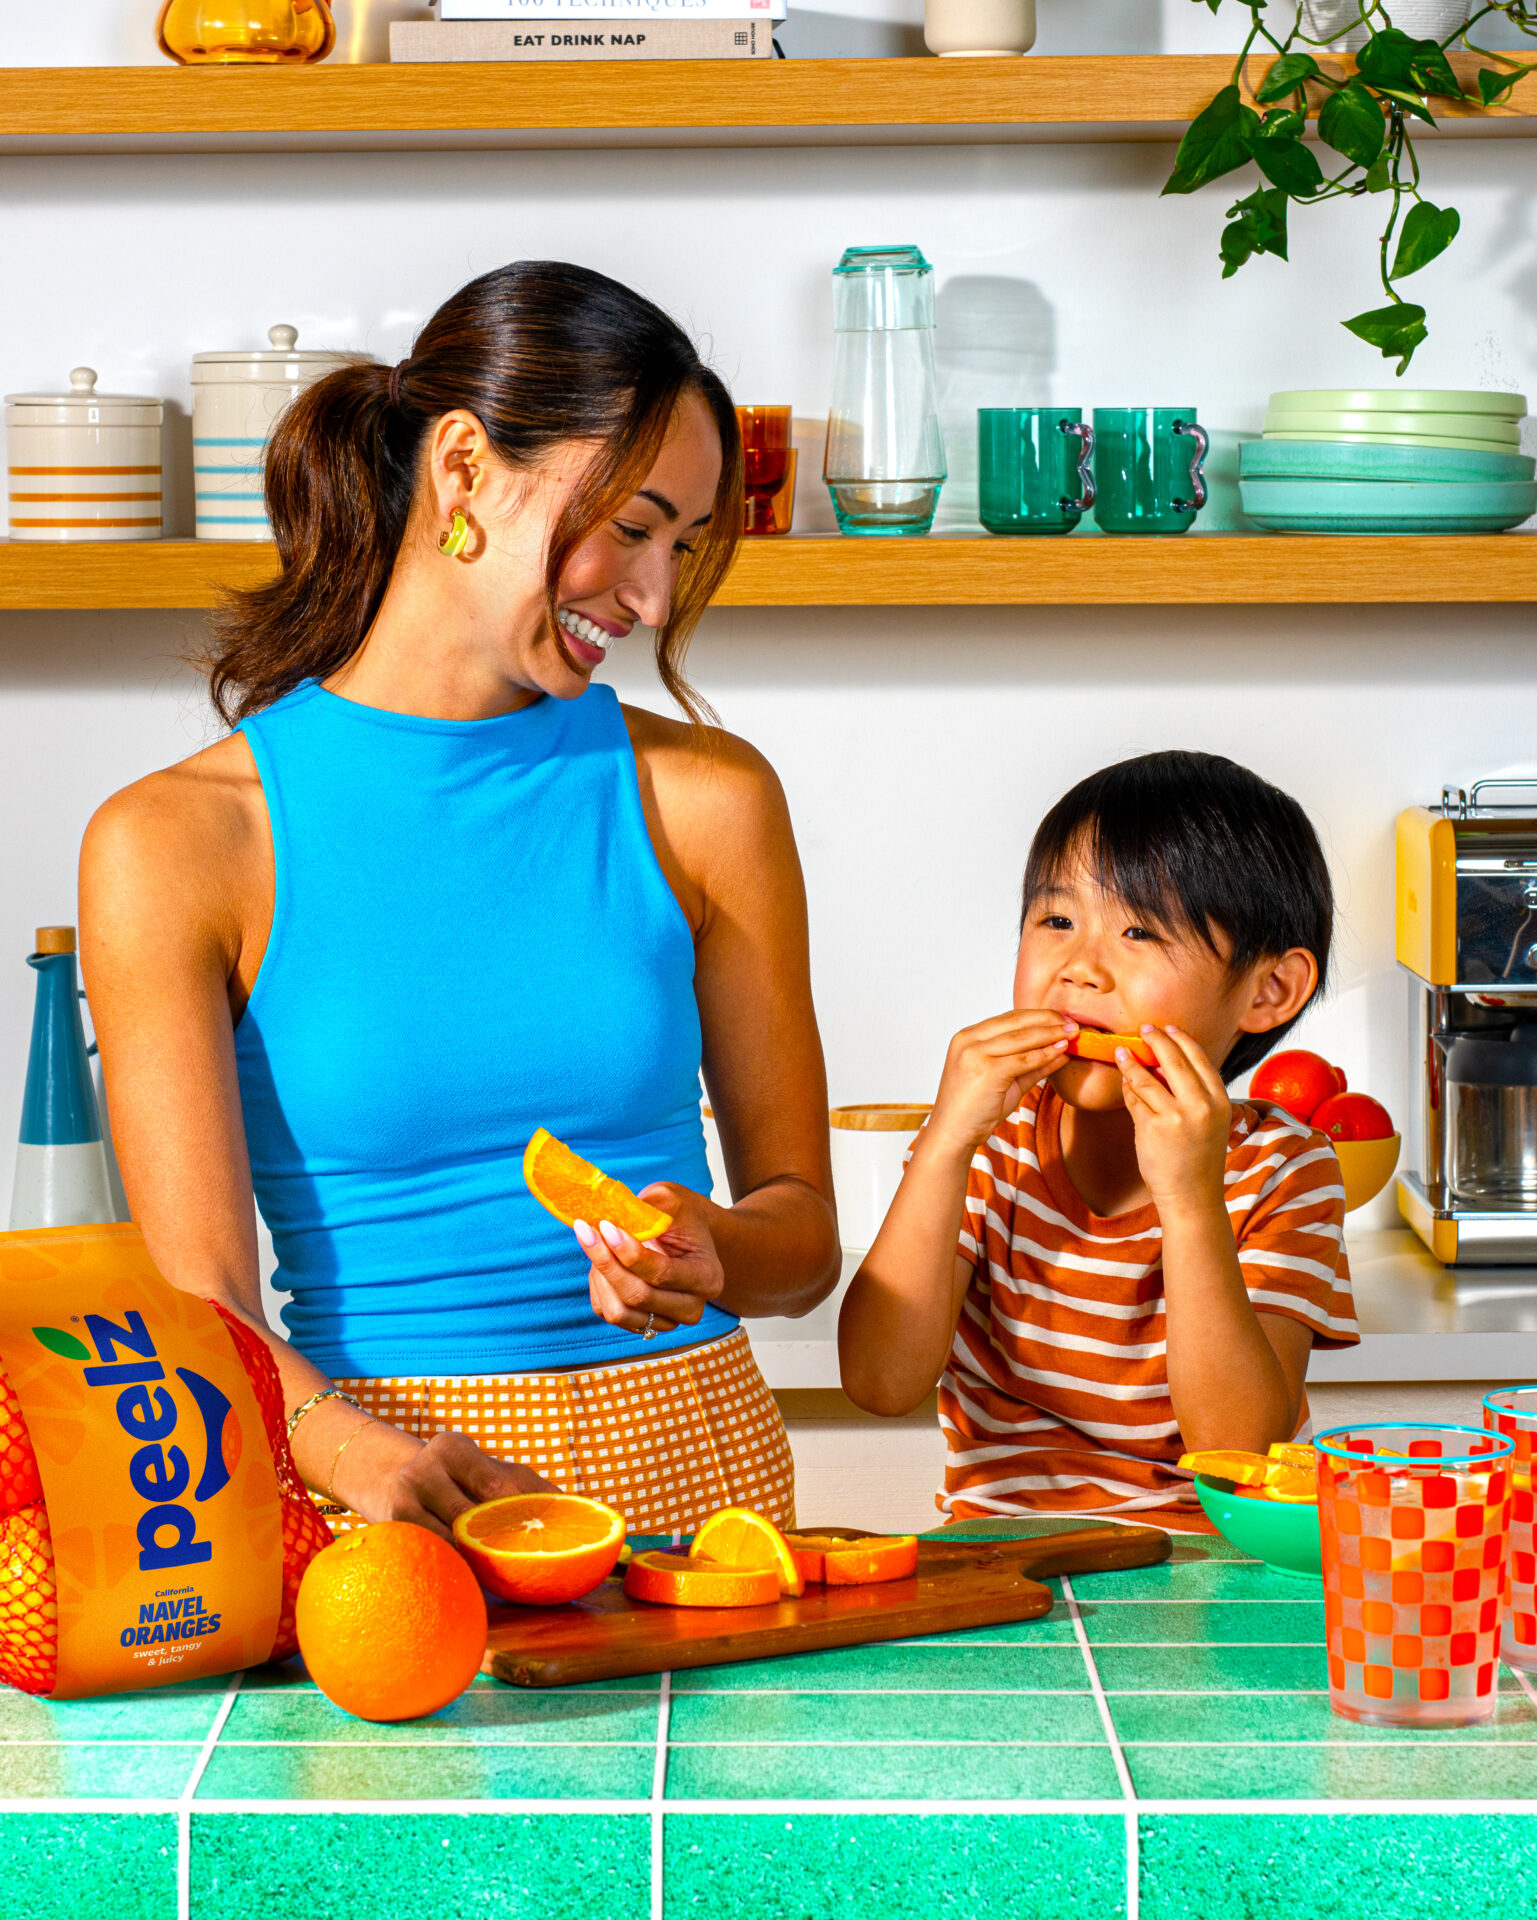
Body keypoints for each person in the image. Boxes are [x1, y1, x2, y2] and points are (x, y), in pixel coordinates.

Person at [80, 261, 839, 1541]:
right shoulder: (175, 842)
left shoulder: (709, 801)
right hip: (383, 1494)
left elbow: (803, 1235)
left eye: (685, 547)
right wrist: (351, 1455)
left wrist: (717, 1248)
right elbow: (197, 1293)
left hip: (705, 1490)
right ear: (464, 467)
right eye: (633, 526)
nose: (653, 601)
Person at [838, 751, 1359, 1526]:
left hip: (1204, 1575)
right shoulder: (991, 1143)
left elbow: (1241, 1448)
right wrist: (944, 1143)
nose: (1080, 969)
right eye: (1056, 921)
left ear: (1267, 990)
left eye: (1140, 931)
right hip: (1003, 1567)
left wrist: (1188, 1200)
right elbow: (879, 1382)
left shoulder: (1284, 1169)